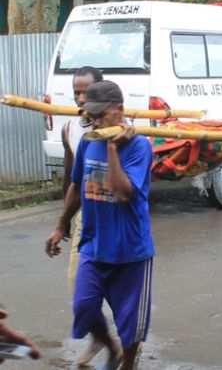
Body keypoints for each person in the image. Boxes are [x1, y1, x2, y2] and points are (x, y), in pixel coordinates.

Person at [45, 80, 155, 370]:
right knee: (84, 306)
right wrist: (60, 224)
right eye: (90, 115)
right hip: (94, 246)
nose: (95, 121)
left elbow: (123, 193)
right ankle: (111, 348)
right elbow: (77, 184)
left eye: (101, 114)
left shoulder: (140, 147)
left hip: (131, 251)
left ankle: (127, 364)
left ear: (119, 110)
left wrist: (114, 149)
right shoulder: (87, 142)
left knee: (130, 325)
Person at [61, 66, 105, 366]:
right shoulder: (70, 127)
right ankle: (100, 339)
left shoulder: (119, 127)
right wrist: (62, 219)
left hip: (117, 221)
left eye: (86, 92)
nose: (80, 98)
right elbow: (70, 177)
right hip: (85, 220)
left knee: (120, 296)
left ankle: (124, 349)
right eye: (76, 91)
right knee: (80, 292)